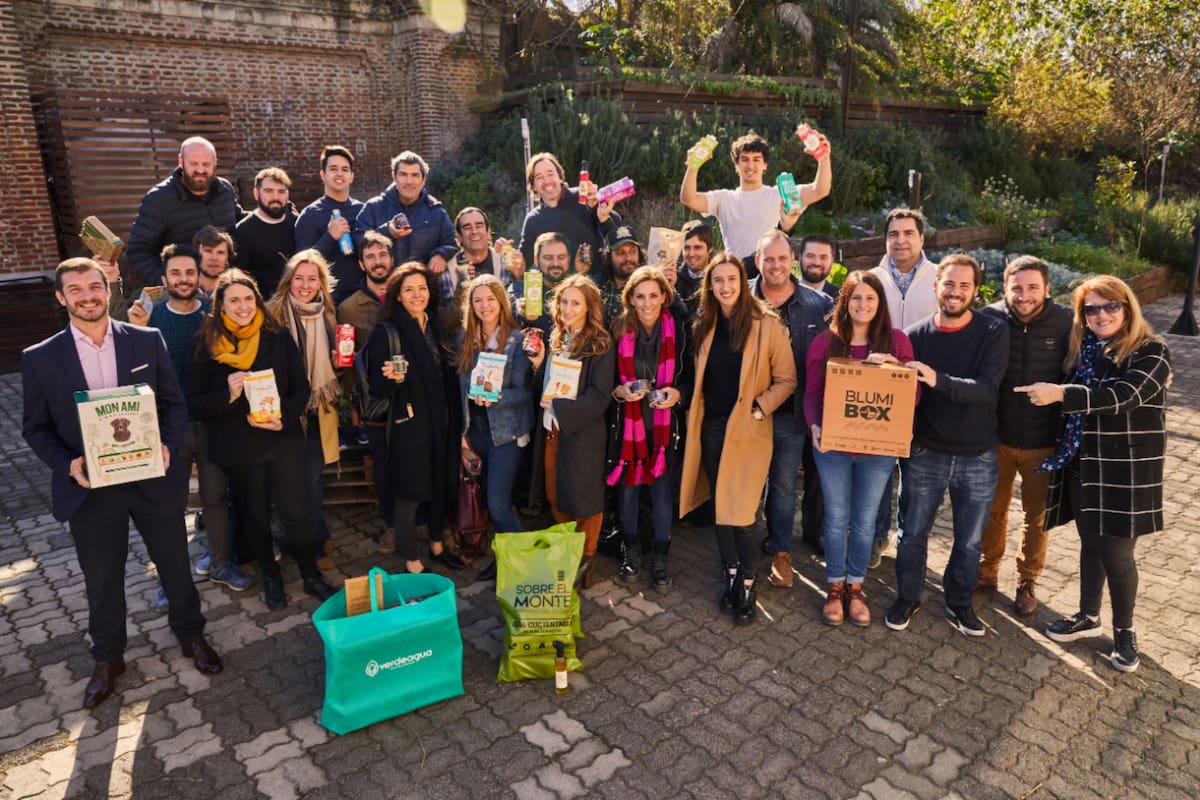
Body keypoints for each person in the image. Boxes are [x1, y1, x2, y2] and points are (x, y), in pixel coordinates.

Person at [22, 258, 222, 709]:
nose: (87, 296)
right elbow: (35, 428)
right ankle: (109, 658)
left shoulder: (145, 341)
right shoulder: (40, 358)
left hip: (151, 478)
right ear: (61, 297)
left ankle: (191, 636)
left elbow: (173, 405)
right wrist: (68, 463)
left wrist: (168, 446)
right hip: (91, 487)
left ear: (107, 288)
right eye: (75, 290)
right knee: (103, 578)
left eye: (94, 286)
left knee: (174, 563)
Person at [1019, 276, 1171, 673]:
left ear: (1127, 307)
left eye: (1110, 306)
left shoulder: (1151, 351)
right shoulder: (1085, 349)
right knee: (1090, 543)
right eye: (1092, 309)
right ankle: (1089, 615)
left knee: (1118, 556)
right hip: (1082, 464)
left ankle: (1125, 632)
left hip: (1125, 472)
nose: (1101, 315)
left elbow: (1123, 397)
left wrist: (1062, 394)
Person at [185, 269, 337, 608]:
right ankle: (271, 577)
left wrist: (282, 416)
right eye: (234, 300)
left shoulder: (276, 336)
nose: (243, 306)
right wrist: (225, 393)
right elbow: (193, 402)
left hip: (281, 441)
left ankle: (311, 575)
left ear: (257, 301)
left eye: (248, 299)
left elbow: (301, 389)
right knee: (254, 516)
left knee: (295, 513)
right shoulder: (206, 345)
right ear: (220, 305)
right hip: (239, 449)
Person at [885, 254, 1008, 637]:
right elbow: (903, 391)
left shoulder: (992, 330)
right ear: (935, 285)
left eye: (964, 286)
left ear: (975, 290)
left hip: (978, 454)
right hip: (925, 452)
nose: (955, 292)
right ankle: (908, 596)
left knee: (969, 541)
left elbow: (987, 390)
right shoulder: (916, 335)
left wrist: (937, 379)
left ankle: (959, 604)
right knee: (912, 534)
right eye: (949, 284)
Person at [679, 254, 797, 625]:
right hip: (711, 428)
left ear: (743, 282)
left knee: (743, 513)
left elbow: (787, 380)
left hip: (748, 430)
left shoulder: (766, 325)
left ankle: (749, 579)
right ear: (709, 286)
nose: (726, 287)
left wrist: (761, 408)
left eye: (732, 279)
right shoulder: (705, 323)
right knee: (721, 507)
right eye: (718, 281)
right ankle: (730, 572)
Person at [129, 244, 252, 594]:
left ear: (199, 276)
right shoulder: (150, 318)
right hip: (169, 428)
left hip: (212, 423)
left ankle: (220, 564)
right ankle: (171, 580)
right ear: (164, 279)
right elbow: (134, 370)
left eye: (189, 272)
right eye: (175, 273)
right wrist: (135, 329)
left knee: (215, 498)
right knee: (172, 505)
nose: (183, 279)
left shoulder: (213, 318)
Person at [805, 271, 916, 626]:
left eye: (870, 298)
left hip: (877, 447)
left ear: (880, 303)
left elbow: (912, 396)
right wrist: (814, 426)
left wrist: (896, 371)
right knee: (836, 518)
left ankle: (856, 587)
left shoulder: (897, 342)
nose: (863, 305)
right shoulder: (826, 343)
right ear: (845, 303)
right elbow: (811, 395)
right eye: (855, 298)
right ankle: (835, 587)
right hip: (833, 444)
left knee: (865, 520)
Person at [976, 256, 1073, 616]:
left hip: (1043, 442)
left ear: (1047, 289)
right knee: (993, 510)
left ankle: (1027, 579)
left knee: (1037, 517)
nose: (1024, 295)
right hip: (996, 438)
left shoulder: (1067, 322)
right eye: (1016, 287)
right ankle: (986, 570)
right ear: (1005, 288)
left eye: (1033, 287)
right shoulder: (989, 317)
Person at [365, 263, 465, 573]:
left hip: (442, 419)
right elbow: (376, 387)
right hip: (408, 423)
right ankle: (411, 558)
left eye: (421, 288)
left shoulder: (435, 323)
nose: (416, 294)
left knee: (438, 482)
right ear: (397, 296)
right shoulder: (387, 332)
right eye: (409, 289)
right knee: (409, 490)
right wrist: (391, 379)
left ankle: (436, 543)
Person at [749, 231, 833, 587]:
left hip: (790, 416)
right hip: (747, 412)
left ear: (792, 261)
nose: (776, 265)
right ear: (758, 261)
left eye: (782, 259)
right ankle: (741, 549)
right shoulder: (741, 298)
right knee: (747, 483)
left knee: (783, 486)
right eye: (769, 259)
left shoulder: (817, 305)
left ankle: (781, 551)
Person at [527, 274, 615, 589]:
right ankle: (568, 553)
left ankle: (586, 558)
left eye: (575, 302)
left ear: (589, 307)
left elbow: (601, 395)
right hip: (551, 432)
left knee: (585, 500)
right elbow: (548, 385)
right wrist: (539, 364)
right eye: (563, 301)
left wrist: (563, 409)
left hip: (581, 434)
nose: (567, 307)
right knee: (556, 496)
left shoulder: (600, 343)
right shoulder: (557, 337)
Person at [607, 266, 691, 593]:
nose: (647, 303)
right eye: (640, 296)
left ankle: (660, 559)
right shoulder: (617, 329)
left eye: (653, 295)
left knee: (661, 493)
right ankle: (630, 553)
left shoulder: (679, 328)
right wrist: (619, 391)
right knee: (628, 490)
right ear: (630, 297)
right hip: (628, 425)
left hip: (664, 425)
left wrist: (677, 393)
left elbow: (691, 374)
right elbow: (605, 378)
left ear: (664, 296)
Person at [868, 208, 939, 566]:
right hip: (879, 394)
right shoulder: (872, 278)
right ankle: (878, 538)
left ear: (921, 238)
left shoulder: (939, 278)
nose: (901, 240)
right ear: (886, 239)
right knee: (881, 473)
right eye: (894, 234)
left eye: (908, 233)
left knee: (916, 477)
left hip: (926, 392)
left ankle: (909, 542)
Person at [265, 250, 342, 566]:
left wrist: (339, 364)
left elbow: (335, 365)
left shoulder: (328, 314)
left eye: (312, 279)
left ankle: (312, 537)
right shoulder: (272, 314)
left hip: (317, 408)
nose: (305, 285)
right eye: (299, 278)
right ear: (289, 280)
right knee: (286, 479)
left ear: (321, 283)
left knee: (312, 476)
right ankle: (300, 536)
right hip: (284, 409)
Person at [457, 275, 535, 580]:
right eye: (478, 300)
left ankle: (525, 569)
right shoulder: (466, 340)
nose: (484, 305)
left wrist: (497, 398)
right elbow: (459, 390)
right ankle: (505, 560)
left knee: (498, 503)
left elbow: (526, 391)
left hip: (507, 432)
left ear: (501, 301)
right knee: (493, 501)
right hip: (478, 430)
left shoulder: (516, 341)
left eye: (490, 299)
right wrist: (462, 435)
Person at [680, 130, 831, 275]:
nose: (750, 166)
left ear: (765, 165)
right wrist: (693, 165)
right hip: (737, 278)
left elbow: (820, 190)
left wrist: (824, 158)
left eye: (756, 159)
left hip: (771, 275)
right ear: (736, 165)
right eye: (744, 159)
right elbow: (688, 199)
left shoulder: (781, 193)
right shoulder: (723, 198)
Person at [337, 231, 397, 550]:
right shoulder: (348, 309)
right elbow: (346, 364)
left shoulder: (406, 295)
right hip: (373, 403)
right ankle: (390, 525)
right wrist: (353, 404)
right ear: (362, 263)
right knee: (384, 465)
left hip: (408, 397)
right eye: (371, 257)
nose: (377, 262)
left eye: (382, 255)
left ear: (391, 258)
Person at [126, 136, 241, 285]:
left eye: (206, 164)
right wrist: (166, 280)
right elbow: (138, 250)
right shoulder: (159, 199)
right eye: (194, 164)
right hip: (182, 291)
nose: (200, 170)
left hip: (223, 287)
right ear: (181, 161)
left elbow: (240, 222)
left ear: (215, 163)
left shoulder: (225, 190)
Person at [517, 152, 621, 278]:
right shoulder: (533, 220)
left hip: (596, 283)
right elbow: (522, 265)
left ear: (560, 177)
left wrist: (596, 208)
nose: (547, 181)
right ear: (533, 186)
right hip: (553, 290)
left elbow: (618, 235)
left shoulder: (583, 197)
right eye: (539, 177)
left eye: (550, 174)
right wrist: (507, 256)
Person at [354, 151, 457, 273]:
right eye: (403, 174)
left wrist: (441, 254)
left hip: (421, 287)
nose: (409, 181)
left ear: (423, 179)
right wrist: (387, 232)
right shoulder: (373, 207)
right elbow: (358, 241)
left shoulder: (436, 212)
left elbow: (452, 244)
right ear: (394, 176)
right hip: (383, 287)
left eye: (415, 175)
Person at [293, 145, 365, 303]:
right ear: (323, 175)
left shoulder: (362, 210)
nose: (339, 173)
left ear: (352, 176)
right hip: (325, 301)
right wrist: (330, 237)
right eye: (333, 169)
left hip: (361, 299)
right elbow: (301, 266)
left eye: (345, 169)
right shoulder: (310, 215)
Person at [233, 167, 297, 296]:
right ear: (256, 194)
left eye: (281, 191)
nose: (275, 197)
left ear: (287, 195)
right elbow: (240, 279)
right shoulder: (243, 231)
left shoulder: (297, 223)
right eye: (269, 191)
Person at [600, 225, 645, 326]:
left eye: (633, 251)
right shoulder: (600, 286)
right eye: (621, 253)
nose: (628, 258)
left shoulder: (647, 286)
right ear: (609, 256)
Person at [675, 220, 714, 318]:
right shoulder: (674, 278)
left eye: (697, 248)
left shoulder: (718, 278)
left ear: (710, 249)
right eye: (687, 248)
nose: (691, 254)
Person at [192, 225, 235, 303]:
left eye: (220, 252)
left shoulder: (238, 294)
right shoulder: (177, 293)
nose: (214, 258)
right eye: (208, 251)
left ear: (227, 259)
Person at [795, 234, 840, 299]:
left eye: (823, 257)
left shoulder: (840, 299)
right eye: (810, 256)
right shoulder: (783, 293)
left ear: (832, 261)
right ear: (800, 257)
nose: (816, 263)